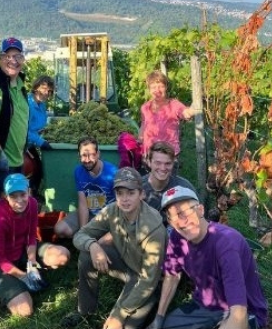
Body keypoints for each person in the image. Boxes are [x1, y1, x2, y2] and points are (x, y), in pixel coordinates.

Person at [153, 186, 268, 329]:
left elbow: (239, 314)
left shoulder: (225, 243)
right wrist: (159, 317)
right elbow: (172, 275)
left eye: (184, 212)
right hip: (205, 306)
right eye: (173, 216)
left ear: (200, 210)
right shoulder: (177, 237)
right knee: (167, 326)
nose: (181, 221)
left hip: (244, 310)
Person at [69, 167, 167, 329]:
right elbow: (80, 235)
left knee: (122, 325)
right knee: (86, 255)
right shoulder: (112, 210)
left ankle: (143, 308)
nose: (125, 199)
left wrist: (119, 314)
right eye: (120, 193)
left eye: (131, 193)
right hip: (126, 263)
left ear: (141, 194)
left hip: (148, 280)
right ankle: (85, 311)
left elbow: (149, 280)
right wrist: (93, 245)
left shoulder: (152, 227)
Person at [0, 174, 70, 317]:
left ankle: (30, 272)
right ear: (5, 196)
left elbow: (31, 235)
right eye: (13, 196)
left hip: (22, 250)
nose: (19, 201)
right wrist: (24, 276)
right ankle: (0, 281)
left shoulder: (32, 204)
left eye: (22, 194)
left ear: (29, 192)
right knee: (24, 311)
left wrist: (32, 260)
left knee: (62, 256)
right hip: (1, 262)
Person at [0, 37, 30, 205]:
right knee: (0, 209)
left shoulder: (20, 83)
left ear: (22, 59)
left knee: (17, 209)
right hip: (2, 162)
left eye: (17, 56)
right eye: (7, 56)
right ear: (0, 58)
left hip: (18, 160)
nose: (12, 61)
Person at [55, 137, 119, 238]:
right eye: (84, 155)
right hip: (90, 212)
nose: (88, 160)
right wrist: (83, 232)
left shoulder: (113, 173)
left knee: (105, 240)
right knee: (60, 229)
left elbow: (119, 205)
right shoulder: (78, 171)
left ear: (98, 154)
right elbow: (83, 204)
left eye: (92, 155)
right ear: (79, 156)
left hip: (107, 216)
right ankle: (87, 236)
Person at [139, 72, 200, 158]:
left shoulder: (174, 104)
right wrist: (140, 138)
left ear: (166, 87)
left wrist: (192, 109)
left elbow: (185, 112)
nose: (157, 90)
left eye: (161, 86)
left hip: (169, 156)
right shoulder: (145, 107)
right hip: (150, 156)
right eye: (153, 87)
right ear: (149, 89)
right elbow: (143, 124)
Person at [24, 75, 55, 202]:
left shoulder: (41, 104)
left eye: (50, 90)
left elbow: (39, 125)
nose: (48, 92)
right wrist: (41, 141)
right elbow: (24, 130)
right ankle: (28, 198)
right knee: (30, 170)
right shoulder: (28, 104)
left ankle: (33, 196)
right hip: (23, 144)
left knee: (39, 170)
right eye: (45, 89)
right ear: (36, 88)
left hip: (32, 143)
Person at [142, 142, 193, 218]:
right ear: (149, 162)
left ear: (173, 164)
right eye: (158, 163)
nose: (163, 168)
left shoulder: (184, 188)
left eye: (168, 163)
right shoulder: (138, 187)